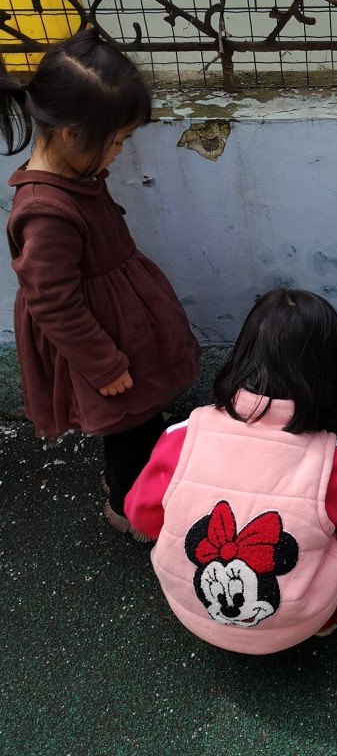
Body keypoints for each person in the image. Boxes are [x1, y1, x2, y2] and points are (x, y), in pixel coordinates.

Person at [1, 28, 201, 541]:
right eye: (115, 142)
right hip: (98, 345)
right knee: (128, 428)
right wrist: (103, 364)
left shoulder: (72, 174)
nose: (117, 152)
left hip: (116, 327)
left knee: (140, 417)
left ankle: (143, 483)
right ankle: (130, 508)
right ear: (71, 134)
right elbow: (52, 302)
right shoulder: (45, 212)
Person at [125, 287, 337, 653]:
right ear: (329, 373)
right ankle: (333, 611)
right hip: (296, 621)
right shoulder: (335, 462)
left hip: (192, 607)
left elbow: (140, 516)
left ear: (243, 354)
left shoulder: (184, 435)